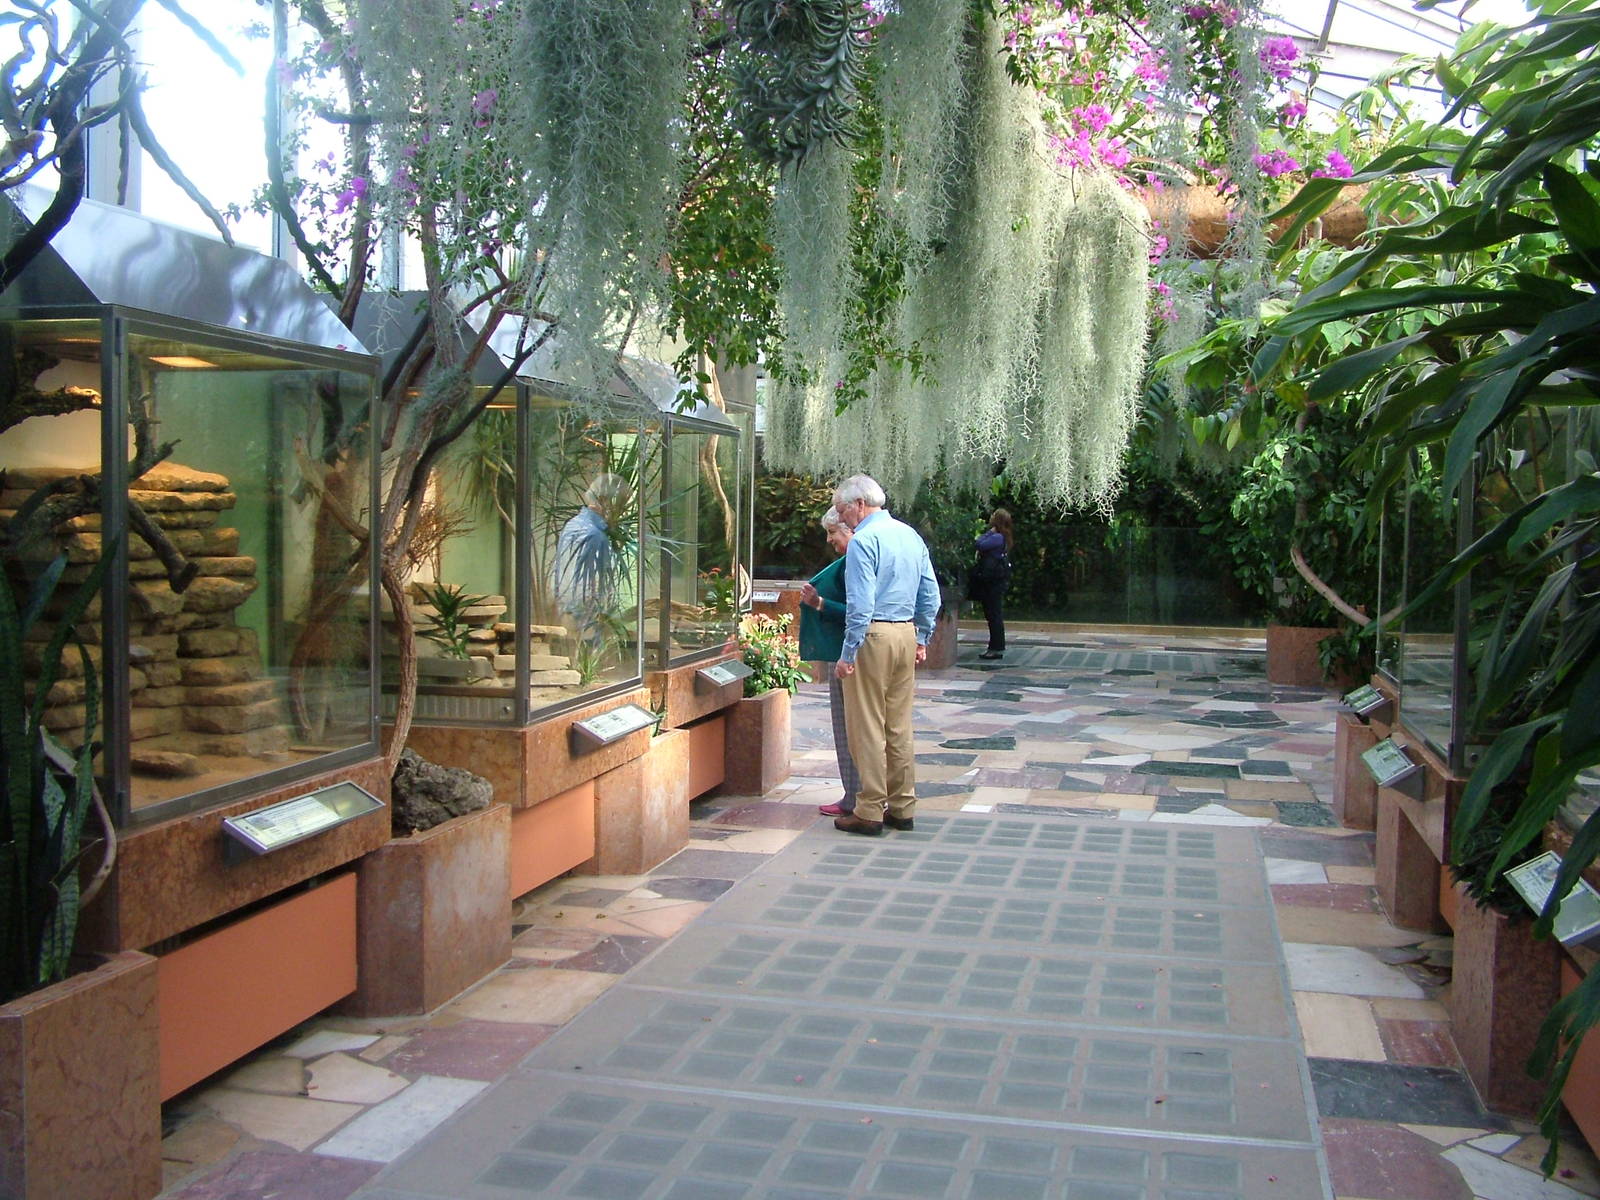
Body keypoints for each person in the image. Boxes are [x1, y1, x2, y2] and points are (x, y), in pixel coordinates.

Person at [832, 474, 940, 836]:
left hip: (873, 636)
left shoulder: (864, 541)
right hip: (906, 633)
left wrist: (848, 653)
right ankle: (903, 806)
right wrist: (922, 637)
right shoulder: (910, 536)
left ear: (859, 504)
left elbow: (860, 605)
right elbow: (931, 596)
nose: (841, 516)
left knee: (865, 726)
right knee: (898, 725)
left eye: (842, 508)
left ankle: (869, 809)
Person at [798, 507, 860, 818]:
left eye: (833, 532)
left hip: (849, 654)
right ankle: (866, 794)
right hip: (862, 651)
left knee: (848, 727)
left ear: (849, 529)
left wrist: (820, 603)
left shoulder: (856, 562)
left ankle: (856, 796)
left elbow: (858, 612)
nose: (829, 539)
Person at [553, 472, 630, 639]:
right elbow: (594, 588)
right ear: (606, 502)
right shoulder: (595, 535)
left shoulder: (572, 525)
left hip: (565, 611)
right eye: (621, 505)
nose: (622, 512)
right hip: (585, 619)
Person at [971, 508, 1014, 660]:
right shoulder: (1002, 537)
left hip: (993, 582)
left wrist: (989, 532)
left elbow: (979, 544)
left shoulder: (997, 537)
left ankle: (996, 647)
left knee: (994, 614)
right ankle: (995, 646)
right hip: (994, 581)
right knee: (994, 614)